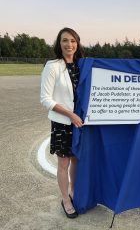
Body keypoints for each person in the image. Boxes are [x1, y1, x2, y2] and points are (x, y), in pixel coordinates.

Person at [40, 27, 84, 218]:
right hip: (63, 123)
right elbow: (45, 99)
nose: (69, 44)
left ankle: (74, 193)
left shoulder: (83, 65)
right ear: (59, 43)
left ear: (78, 43)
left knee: (76, 160)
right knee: (64, 162)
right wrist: (70, 114)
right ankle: (66, 200)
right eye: (65, 40)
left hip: (80, 122)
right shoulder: (53, 66)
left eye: (73, 41)